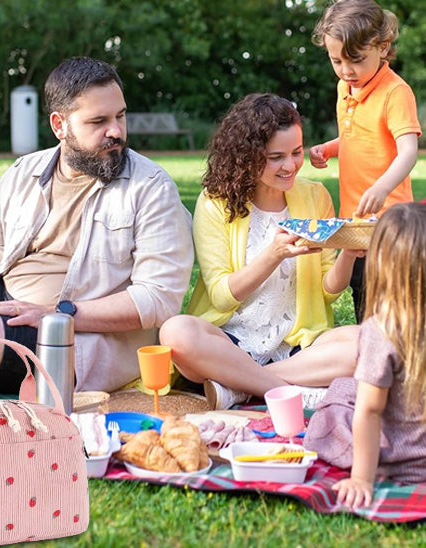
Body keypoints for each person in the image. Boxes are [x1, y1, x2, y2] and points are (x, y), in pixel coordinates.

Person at [0, 56, 193, 394]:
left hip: (69, 336)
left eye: (120, 116)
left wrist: (56, 313)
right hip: (4, 302)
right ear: (60, 125)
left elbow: (157, 299)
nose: (115, 131)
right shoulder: (23, 172)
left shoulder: (151, 188)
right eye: (98, 121)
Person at [159, 93, 361, 411]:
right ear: (247, 156)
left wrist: (348, 250)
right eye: (276, 157)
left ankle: (238, 387)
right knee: (176, 332)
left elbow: (328, 291)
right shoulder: (214, 204)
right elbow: (223, 296)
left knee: (368, 343)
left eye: (296, 152)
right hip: (230, 341)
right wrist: (273, 254)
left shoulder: (315, 196)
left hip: (297, 345)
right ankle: (291, 391)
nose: (290, 165)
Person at [304, 203, 426, 509]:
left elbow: (370, 411)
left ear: (382, 264)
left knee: (333, 410)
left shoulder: (381, 330)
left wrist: (361, 478)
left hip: (396, 462)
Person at [308, 0, 421, 322]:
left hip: (389, 224)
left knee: (392, 303)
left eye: (355, 60)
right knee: (363, 295)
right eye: (336, 61)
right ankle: (368, 366)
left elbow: (408, 150)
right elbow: (360, 137)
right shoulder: (346, 87)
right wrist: (329, 148)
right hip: (355, 222)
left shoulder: (395, 93)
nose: (346, 70)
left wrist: (383, 187)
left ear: (382, 48)